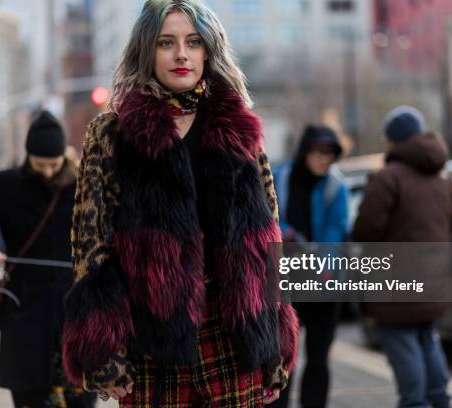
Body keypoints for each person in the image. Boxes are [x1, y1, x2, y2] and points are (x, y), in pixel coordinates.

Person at [62, 1, 300, 406]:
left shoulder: (239, 129)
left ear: (208, 49)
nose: (181, 54)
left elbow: (268, 241)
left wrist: (275, 342)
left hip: (234, 338)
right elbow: (91, 246)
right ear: (146, 51)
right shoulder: (113, 133)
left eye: (192, 42)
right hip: (153, 347)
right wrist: (104, 351)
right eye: (165, 43)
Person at [0, 111, 95, 408]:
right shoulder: (4, 185)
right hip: (24, 310)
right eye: (40, 164)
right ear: (27, 155)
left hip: (78, 308)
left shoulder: (86, 183)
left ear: (64, 156)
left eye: (54, 165)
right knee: (29, 397)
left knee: (81, 396)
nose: (47, 172)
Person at [352, 106, 452, 408]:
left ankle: (415, 404)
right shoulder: (444, 177)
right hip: (434, 279)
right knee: (428, 340)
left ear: (393, 141)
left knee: (404, 347)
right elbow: (449, 225)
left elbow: (365, 231)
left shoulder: (388, 179)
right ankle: (440, 400)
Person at [270, 125, 349, 408]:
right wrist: (286, 232)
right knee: (281, 357)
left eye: (329, 153)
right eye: (318, 152)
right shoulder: (279, 177)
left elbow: (337, 231)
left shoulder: (336, 187)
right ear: (305, 151)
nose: (324, 159)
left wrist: (322, 265)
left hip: (324, 286)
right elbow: (265, 216)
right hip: (286, 285)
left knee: (318, 358)